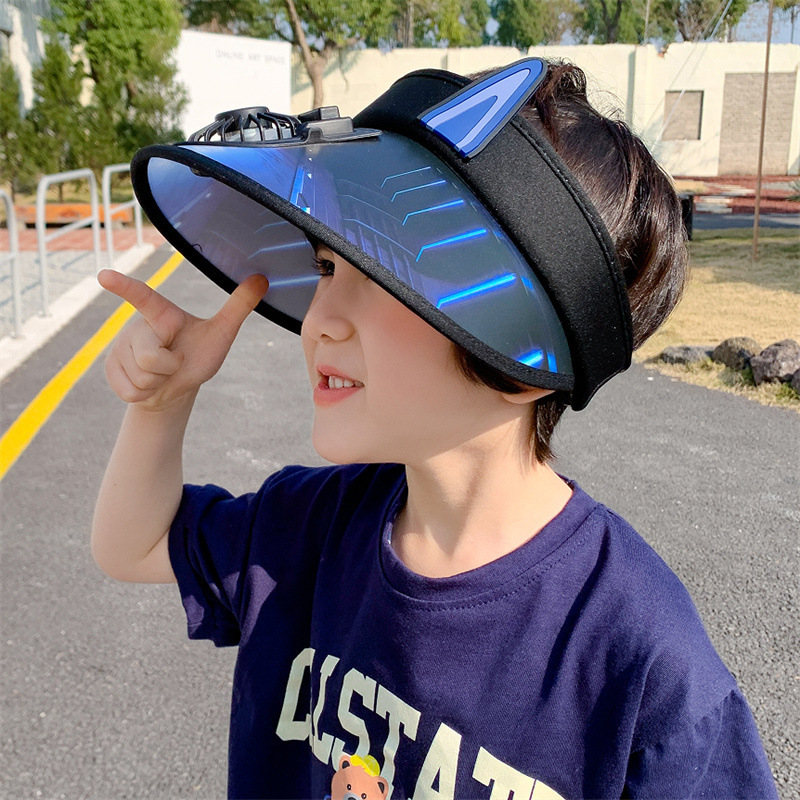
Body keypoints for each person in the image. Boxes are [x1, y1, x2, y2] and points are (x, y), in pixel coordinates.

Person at [92, 59, 778, 799]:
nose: (320, 323)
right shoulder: (309, 530)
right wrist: (162, 405)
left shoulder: (639, 663)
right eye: (326, 268)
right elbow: (132, 546)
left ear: (524, 350)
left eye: (384, 275)